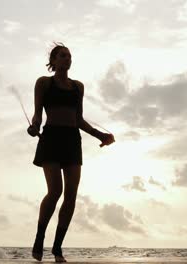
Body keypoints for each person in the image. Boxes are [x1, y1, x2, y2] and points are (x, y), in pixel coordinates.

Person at [27, 43, 115, 262]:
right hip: (51, 139)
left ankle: (57, 248)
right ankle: (39, 239)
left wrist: (100, 135)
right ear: (53, 61)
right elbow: (37, 114)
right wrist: (34, 126)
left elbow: (78, 120)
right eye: (63, 56)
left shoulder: (78, 87)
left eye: (69, 56)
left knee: (71, 195)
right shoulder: (44, 83)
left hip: (72, 141)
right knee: (55, 190)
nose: (67, 59)